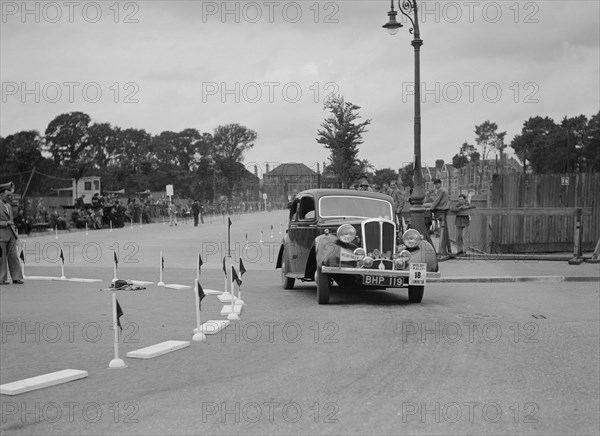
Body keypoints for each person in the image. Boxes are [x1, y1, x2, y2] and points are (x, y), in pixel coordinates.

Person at [0, 183, 24, 285]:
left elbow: (12, 220)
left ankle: (16, 277)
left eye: (11, 195)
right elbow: (7, 221)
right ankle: (2, 278)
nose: (10, 197)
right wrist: (6, 223)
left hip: (11, 235)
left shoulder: (9, 206)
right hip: (1, 235)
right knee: (2, 258)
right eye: (7, 196)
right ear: (1, 195)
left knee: (14, 256)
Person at [429, 179, 452, 255]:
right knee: (444, 226)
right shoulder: (444, 189)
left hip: (442, 208)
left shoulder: (440, 190)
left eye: (436, 185)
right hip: (445, 207)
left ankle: (441, 250)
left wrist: (431, 208)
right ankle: (448, 249)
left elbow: (437, 200)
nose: (435, 186)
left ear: (439, 184)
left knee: (441, 224)